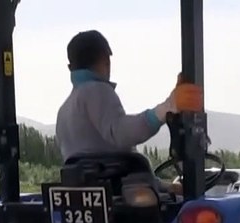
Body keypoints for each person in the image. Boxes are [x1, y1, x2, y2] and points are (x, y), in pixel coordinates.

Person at [55, 30, 176, 162]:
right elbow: (120, 133)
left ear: (70, 68)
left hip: (86, 181)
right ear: (105, 60)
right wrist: (164, 110)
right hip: (119, 181)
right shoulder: (97, 90)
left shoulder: (63, 111)